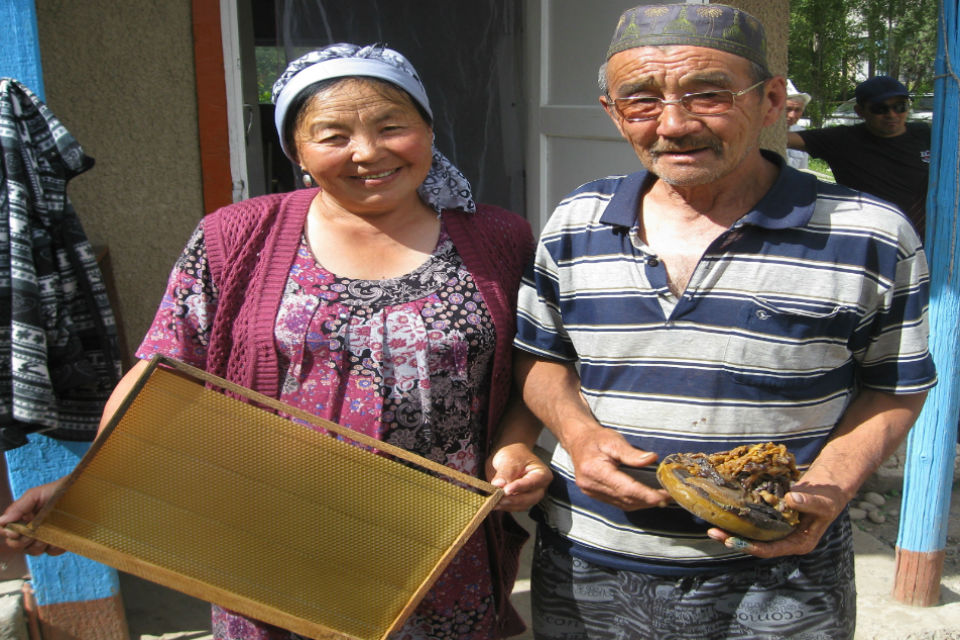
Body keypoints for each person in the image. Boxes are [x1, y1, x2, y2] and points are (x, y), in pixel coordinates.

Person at [0, 43, 550, 640]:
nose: (368, 152)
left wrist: (517, 445)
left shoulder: (498, 236)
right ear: (297, 150)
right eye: (333, 135)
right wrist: (91, 485)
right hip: (271, 535)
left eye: (393, 126)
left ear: (428, 130)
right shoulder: (236, 235)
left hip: (442, 545)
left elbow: (533, 365)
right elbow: (161, 369)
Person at [513, 4, 935, 639]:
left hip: (784, 566)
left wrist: (829, 488)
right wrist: (574, 434)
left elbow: (894, 384)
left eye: (708, 95)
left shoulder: (870, 233)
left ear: (769, 102)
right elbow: (541, 357)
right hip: (589, 559)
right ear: (612, 112)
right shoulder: (578, 219)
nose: (675, 125)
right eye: (641, 101)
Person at [787, 75, 931, 237]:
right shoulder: (843, 140)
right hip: (873, 236)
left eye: (900, 107)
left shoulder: (925, 135)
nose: (891, 114)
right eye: (880, 109)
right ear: (860, 111)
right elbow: (782, 139)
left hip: (930, 238)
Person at [784, 79, 811, 170]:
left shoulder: (801, 134)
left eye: (797, 110)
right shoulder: (762, 133)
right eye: (788, 109)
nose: (792, 115)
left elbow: (802, 169)